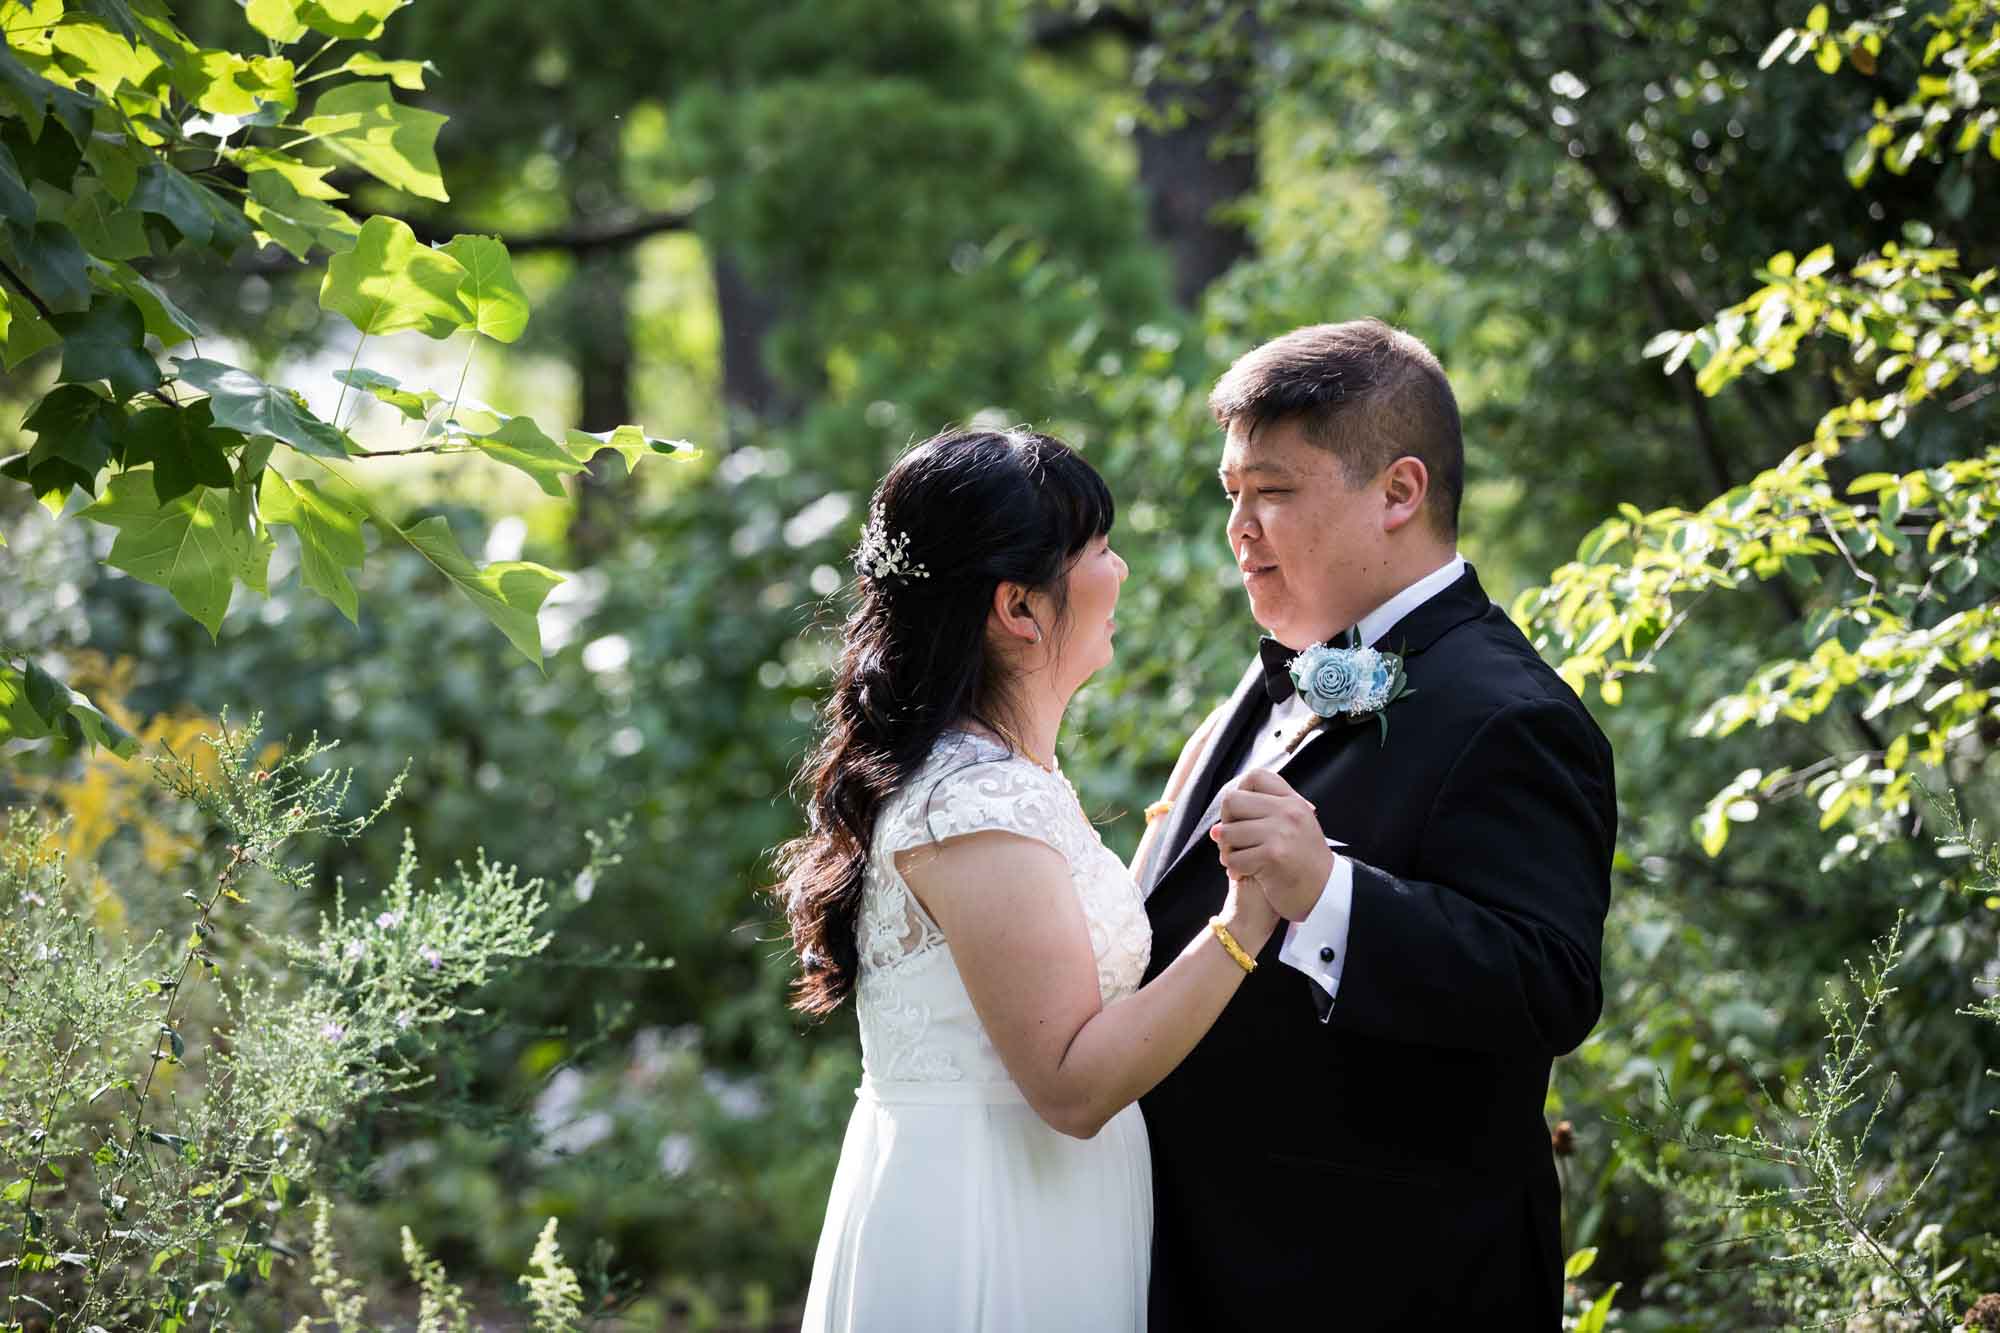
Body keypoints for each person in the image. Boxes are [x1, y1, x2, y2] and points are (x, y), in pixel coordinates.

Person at [1135, 318, 1618, 1329]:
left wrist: (1328, 893)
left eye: (1272, 492)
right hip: (1206, 1264)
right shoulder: (1281, 659)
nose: (1239, 530)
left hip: (1384, 1282)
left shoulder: (1511, 713)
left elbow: (1549, 983)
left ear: (1397, 492)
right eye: (1232, 495)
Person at [781, 427, 1279, 1332]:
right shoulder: (976, 804)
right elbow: (1069, 1082)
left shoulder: (994, 781)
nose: (1119, 569)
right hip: (994, 1214)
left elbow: (1057, 966)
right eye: (1094, 549)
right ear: (1018, 606)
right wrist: (1250, 921)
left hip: (1030, 1193)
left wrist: (1170, 818)